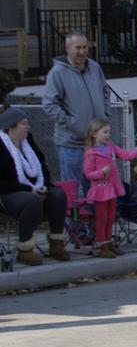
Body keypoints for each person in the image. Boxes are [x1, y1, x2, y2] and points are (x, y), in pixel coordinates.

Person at [42, 31, 110, 193]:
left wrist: (105, 116)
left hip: (96, 145)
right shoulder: (57, 73)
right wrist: (73, 125)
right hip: (71, 145)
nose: (82, 52)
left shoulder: (94, 67)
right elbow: (49, 104)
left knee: (94, 190)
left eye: (85, 47)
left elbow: (106, 92)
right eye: (78, 47)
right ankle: (71, 220)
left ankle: (93, 219)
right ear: (67, 49)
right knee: (72, 192)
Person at [0, 108, 69, 266]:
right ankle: (25, 249)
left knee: (58, 194)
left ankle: (56, 244)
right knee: (31, 200)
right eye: (24, 124)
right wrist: (29, 190)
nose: (28, 126)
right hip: (9, 194)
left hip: (34, 189)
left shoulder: (28, 141)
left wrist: (43, 186)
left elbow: (43, 168)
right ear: (11, 127)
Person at [83, 119, 137, 258]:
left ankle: (109, 243)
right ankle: (101, 245)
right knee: (101, 218)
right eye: (104, 132)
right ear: (94, 134)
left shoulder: (110, 147)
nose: (108, 135)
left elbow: (126, 155)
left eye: (109, 132)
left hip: (111, 189)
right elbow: (88, 173)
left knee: (110, 218)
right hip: (100, 190)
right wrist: (102, 172)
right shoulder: (91, 153)